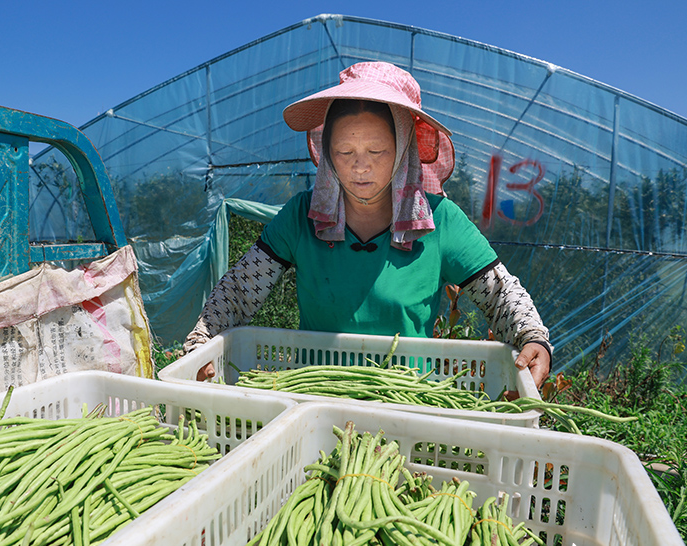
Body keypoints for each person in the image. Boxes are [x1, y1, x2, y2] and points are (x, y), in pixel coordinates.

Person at [182, 61, 552, 387]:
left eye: (377, 151)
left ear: (404, 149)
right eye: (344, 152)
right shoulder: (301, 217)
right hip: (315, 401)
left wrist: (532, 337)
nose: (360, 166)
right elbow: (239, 290)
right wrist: (202, 340)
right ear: (326, 153)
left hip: (407, 409)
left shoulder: (441, 221)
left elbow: (502, 295)